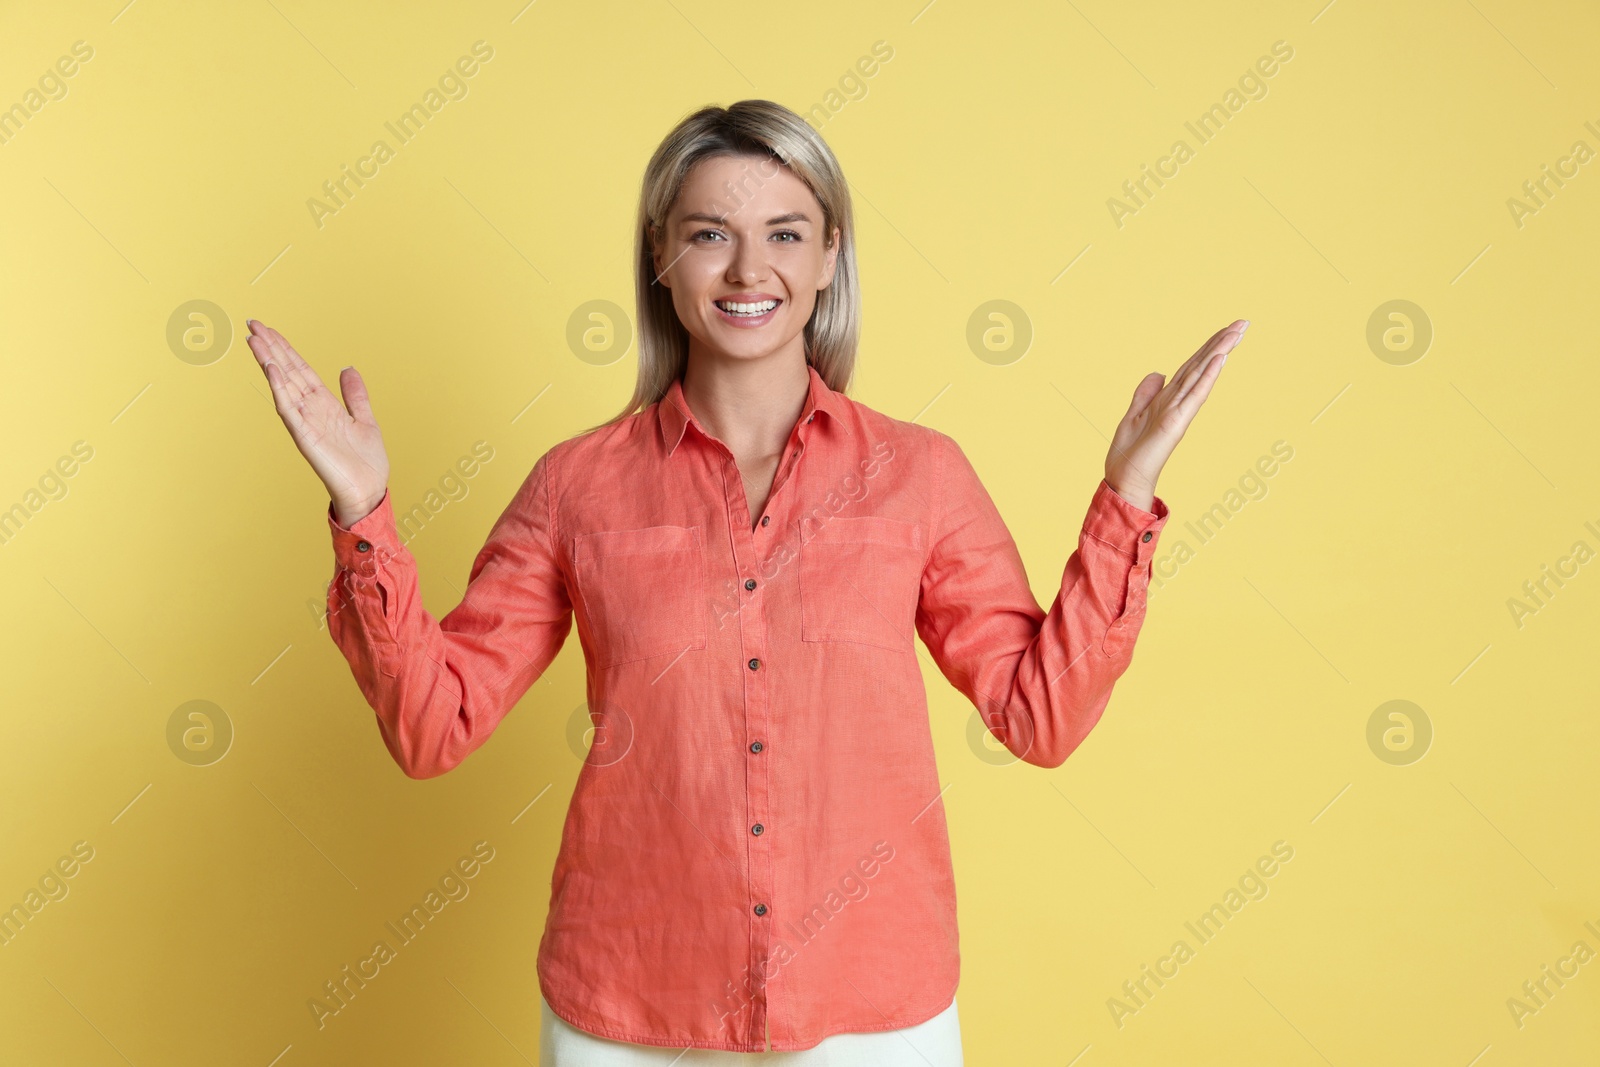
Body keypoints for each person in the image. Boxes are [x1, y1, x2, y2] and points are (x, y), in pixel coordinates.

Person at [246, 98, 1247, 1064]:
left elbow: (1041, 716)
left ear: (828, 256)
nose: (747, 267)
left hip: (871, 1009)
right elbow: (433, 725)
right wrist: (363, 512)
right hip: (632, 1003)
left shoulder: (920, 475)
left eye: (783, 232)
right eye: (709, 233)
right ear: (661, 256)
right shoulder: (575, 485)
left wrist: (1126, 495)